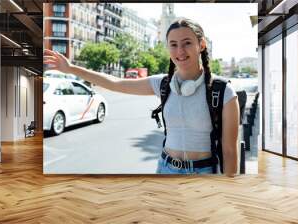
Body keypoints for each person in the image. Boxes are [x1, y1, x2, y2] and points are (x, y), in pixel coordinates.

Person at [44, 18, 239, 176]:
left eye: (187, 43)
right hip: (165, 169)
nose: (180, 51)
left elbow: (230, 151)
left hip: (203, 173)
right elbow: (115, 83)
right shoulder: (162, 84)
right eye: (173, 44)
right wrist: (71, 68)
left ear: (201, 45)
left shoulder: (222, 92)